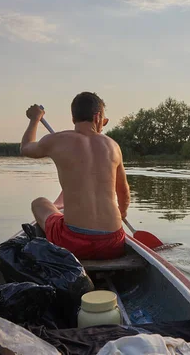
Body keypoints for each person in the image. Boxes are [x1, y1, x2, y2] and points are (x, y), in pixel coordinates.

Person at [20, 92, 130, 260]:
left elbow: (26, 147)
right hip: (113, 243)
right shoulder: (113, 146)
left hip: (73, 244)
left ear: (73, 119)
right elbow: (123, 192)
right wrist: (121, 214)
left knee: (39, 203)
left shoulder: (56, 140)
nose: (103, 126)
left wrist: (35, 118)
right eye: (104, 122)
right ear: (98, 116)